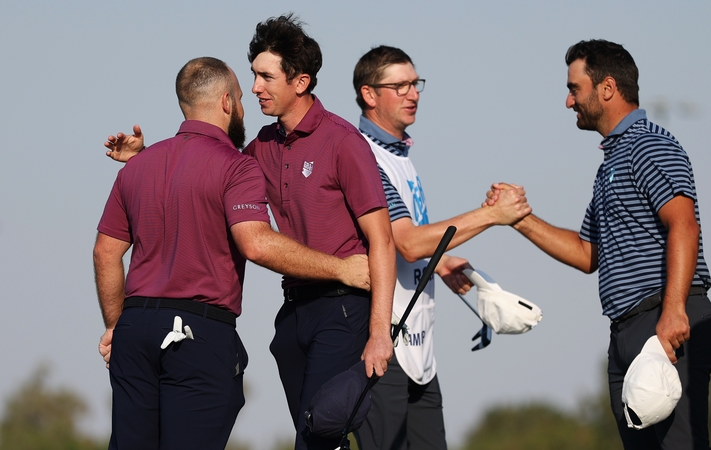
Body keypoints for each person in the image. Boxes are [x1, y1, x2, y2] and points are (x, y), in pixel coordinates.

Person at [104, 15, 397, 450]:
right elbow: (206, 171)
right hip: (294, 312)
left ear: (300, 81)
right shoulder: (258, 146)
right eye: (253, 76)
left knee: (320, 433)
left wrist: (379, 332)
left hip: (344, 308)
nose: (255, 87)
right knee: (310, 436)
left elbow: (383, 241)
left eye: (265, 76)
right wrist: (144, 158)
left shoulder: (343, 141)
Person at [486, 39, 711, 449]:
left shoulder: (649, 144)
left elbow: (684, 225)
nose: (569, 102)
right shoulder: (612, 162)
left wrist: (674, 311)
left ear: (606, 88)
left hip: (664, 319)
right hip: (627, 329)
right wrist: (518, 218)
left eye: (574, 89)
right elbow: (588, 254)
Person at [350, 45, 532, 450]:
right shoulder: (364, 155)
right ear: (369, 94)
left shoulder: (400, 156)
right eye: (399, 85)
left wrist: (443, 261)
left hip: (419, 347)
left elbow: (407, 246)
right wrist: (492, 215)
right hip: (382, 345)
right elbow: (410, 243)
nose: (413, 93)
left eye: (416, 84)